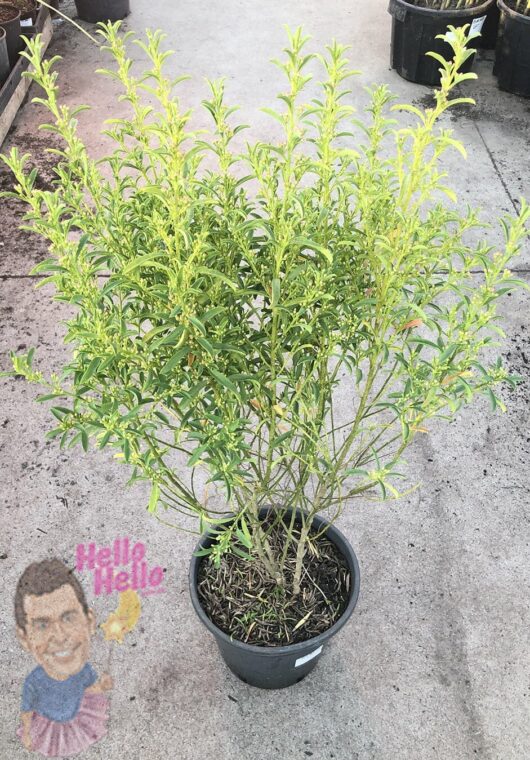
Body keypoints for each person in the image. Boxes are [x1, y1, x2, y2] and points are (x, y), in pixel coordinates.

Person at [15, 558, 112, 757]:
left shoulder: (84, 670)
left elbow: (88, 691)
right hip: (48, 729)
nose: (60, 637)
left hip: (77, 721)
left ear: (90, 621)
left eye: (68, 617)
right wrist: (26, 732)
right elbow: (27, 711)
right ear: (24, 638)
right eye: (42, 625)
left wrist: (101, 686)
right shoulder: (34, 681)